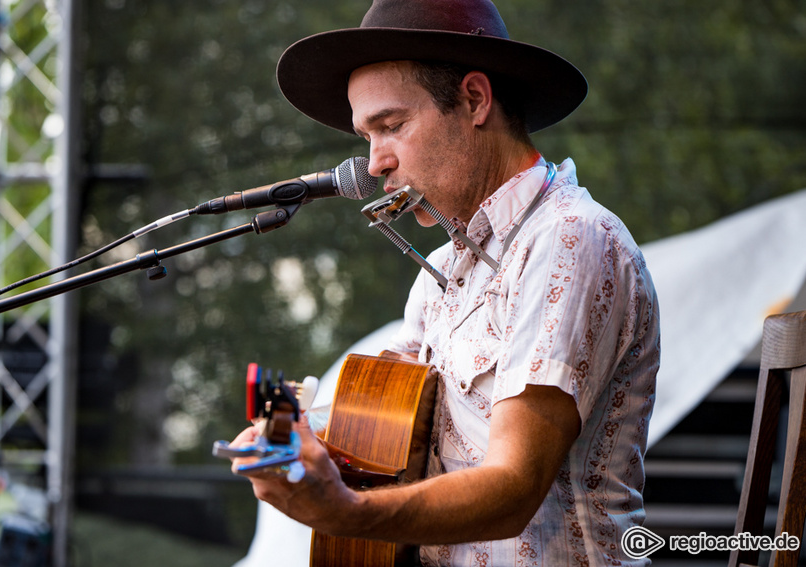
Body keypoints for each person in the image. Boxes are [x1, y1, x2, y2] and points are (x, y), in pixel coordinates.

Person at [230, 0, 661, 565]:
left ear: (475, 100)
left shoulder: (571, 238)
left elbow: (512, 490)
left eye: (391, 126)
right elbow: (382, 432)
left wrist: (346, 514)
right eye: (366, 136)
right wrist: (304, 440)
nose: (374, 163)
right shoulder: (441, 276)